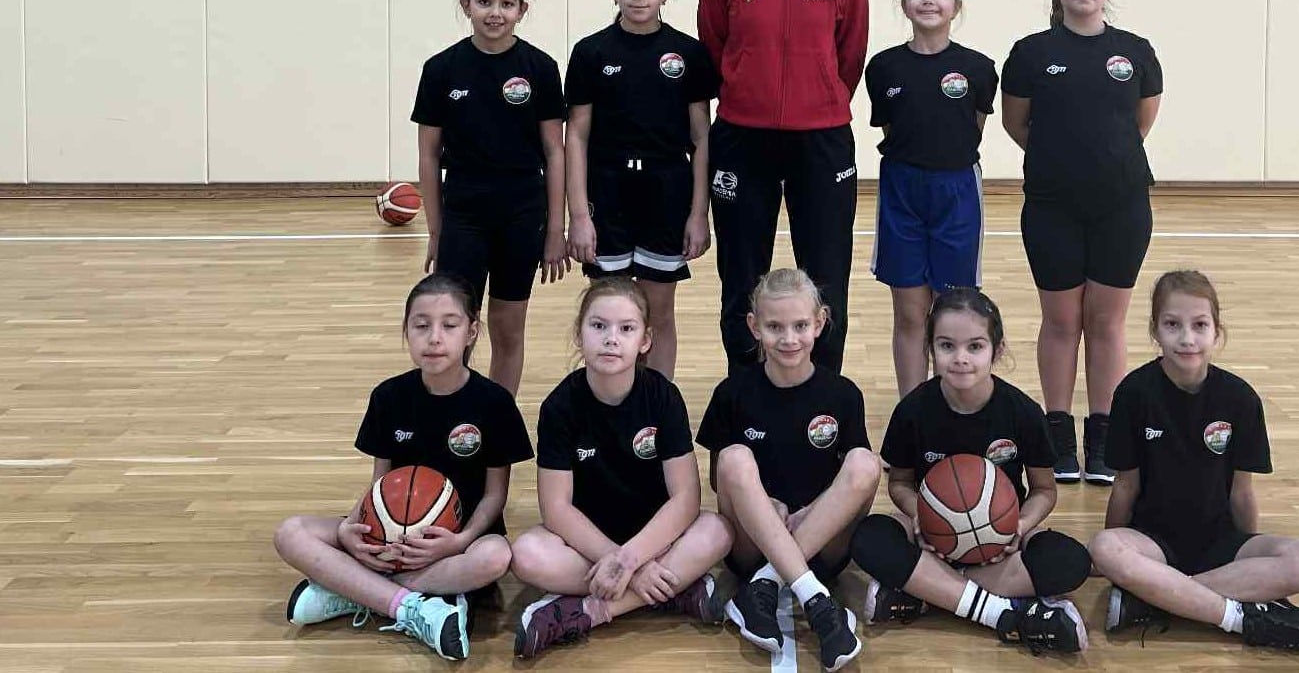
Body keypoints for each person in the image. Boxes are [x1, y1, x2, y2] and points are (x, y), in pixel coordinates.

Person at [272, 273, 534, 661]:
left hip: (457, 540)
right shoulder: (389, 396)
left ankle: (358, 590)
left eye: (449, 325)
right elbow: (379, 482)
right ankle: (416, 605)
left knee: (496, 556)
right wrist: (351, 530)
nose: (434, 338)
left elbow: (495, 496)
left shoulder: (494, 403)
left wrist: (459, 541)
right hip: (388, 532)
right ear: (406, 331)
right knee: (290, 533)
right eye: (421, 325)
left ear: (472, 332)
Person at [1088, 271, 1299, 653]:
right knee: (1105, 547)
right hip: (1154, 543)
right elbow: (1126, 485)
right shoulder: (1133, 393)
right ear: (1155, 330)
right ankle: (1242, 617)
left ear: (1216, 331)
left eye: (1199, 325)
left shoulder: (1240, 399)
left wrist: (1249, 553)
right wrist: (1113, 569)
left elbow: (1242, 492)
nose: (1187, 338)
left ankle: (1157, 600)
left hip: (1220, 543)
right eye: (1172, 325)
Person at [698, 0, 870, 375]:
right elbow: (713, 46)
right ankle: (746, 393)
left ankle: (824, 394)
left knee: (826, 276)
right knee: (741, 275)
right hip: (742, 139)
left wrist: (818, 99)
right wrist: (747, 90)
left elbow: (851, 51)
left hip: (821, 140)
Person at [999, 0, 1162, 484]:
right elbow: (1017, 124)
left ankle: (1104, 435)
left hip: (1122, 206)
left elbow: (1138, 124)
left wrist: (1104, 162)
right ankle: (1058, 434)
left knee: (1106, 321)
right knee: (1062, 320)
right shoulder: (1030, 53)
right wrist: (1060, 160)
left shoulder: (1135, 52)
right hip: (1052, 207)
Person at [849, 287, 1091, 654]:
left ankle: (927, 592)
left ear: (997, 349)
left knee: (1072, 561)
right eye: (947, 346)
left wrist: (1020, 525)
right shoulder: (913, 411)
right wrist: (921, 516)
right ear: (930, 349)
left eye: (975, 346)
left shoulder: (1023, 412)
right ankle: (1001, 611)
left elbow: (1044, 490)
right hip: (931, 540)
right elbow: (899, 482)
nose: (961, 358)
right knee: (868, 538)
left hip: (1000, 545)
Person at [511, 278, 733, 658]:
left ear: (645, 340)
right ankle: (672, 590)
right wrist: (625, 564)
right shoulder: (559, 407)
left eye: (626, 328)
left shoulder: (663, 397)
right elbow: (556, 510)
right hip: (589, 545)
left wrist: (630, 560)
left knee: (718, 530)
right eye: (598, 326)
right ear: (579, 335)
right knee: (526, 553)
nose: (611, 339)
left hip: (655, 539)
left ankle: (591, 611)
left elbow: (685, 499)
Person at [696, 268, 878, 672]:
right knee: (733, 457)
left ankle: (766, 584)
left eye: (800, 326)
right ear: (754, 327)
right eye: (775, 327)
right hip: (752, 543)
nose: (789, 338)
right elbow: (719, 480)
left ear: (820, 323)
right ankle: (817, 600)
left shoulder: (843, 394)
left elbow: (858, 488)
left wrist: (813, 512)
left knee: (865, 461)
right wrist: (767, 505)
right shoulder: (732, 393)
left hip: (821, 544)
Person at [412, 0, 570, 395]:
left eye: (506, 3)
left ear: (522, 9)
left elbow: (555, 151)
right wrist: (436, 231)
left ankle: (498, 417)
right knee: (454, 324)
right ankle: (452, 412)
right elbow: (428, 156)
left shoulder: (540, 68)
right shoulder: (441, 69)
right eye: (484, 2)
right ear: (466, 4)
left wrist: (555, 229)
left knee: (507, 327)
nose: (495, 13)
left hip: (523, 212)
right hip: (464, 212)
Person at [564, 0, 717, 378]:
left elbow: (701, 138)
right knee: (609, 310)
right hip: (607, 191)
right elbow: (576, 136)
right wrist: (579, 215)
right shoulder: (591, 53)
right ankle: (609, 399)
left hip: (667, 190)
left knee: (658, 311)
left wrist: (698, 213)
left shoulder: (688, 53)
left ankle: (657, 404)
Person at [865, 0, 997, 396]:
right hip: (902, 189)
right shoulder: (883, 68)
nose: (929, 0)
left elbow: (972, 129)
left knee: (952, 311)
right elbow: (892, 129)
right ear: (904, 3)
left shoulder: (979, 68)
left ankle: (947, 406)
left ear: (956, 5)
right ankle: (912, 410)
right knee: (909, 312)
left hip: (956, 191)